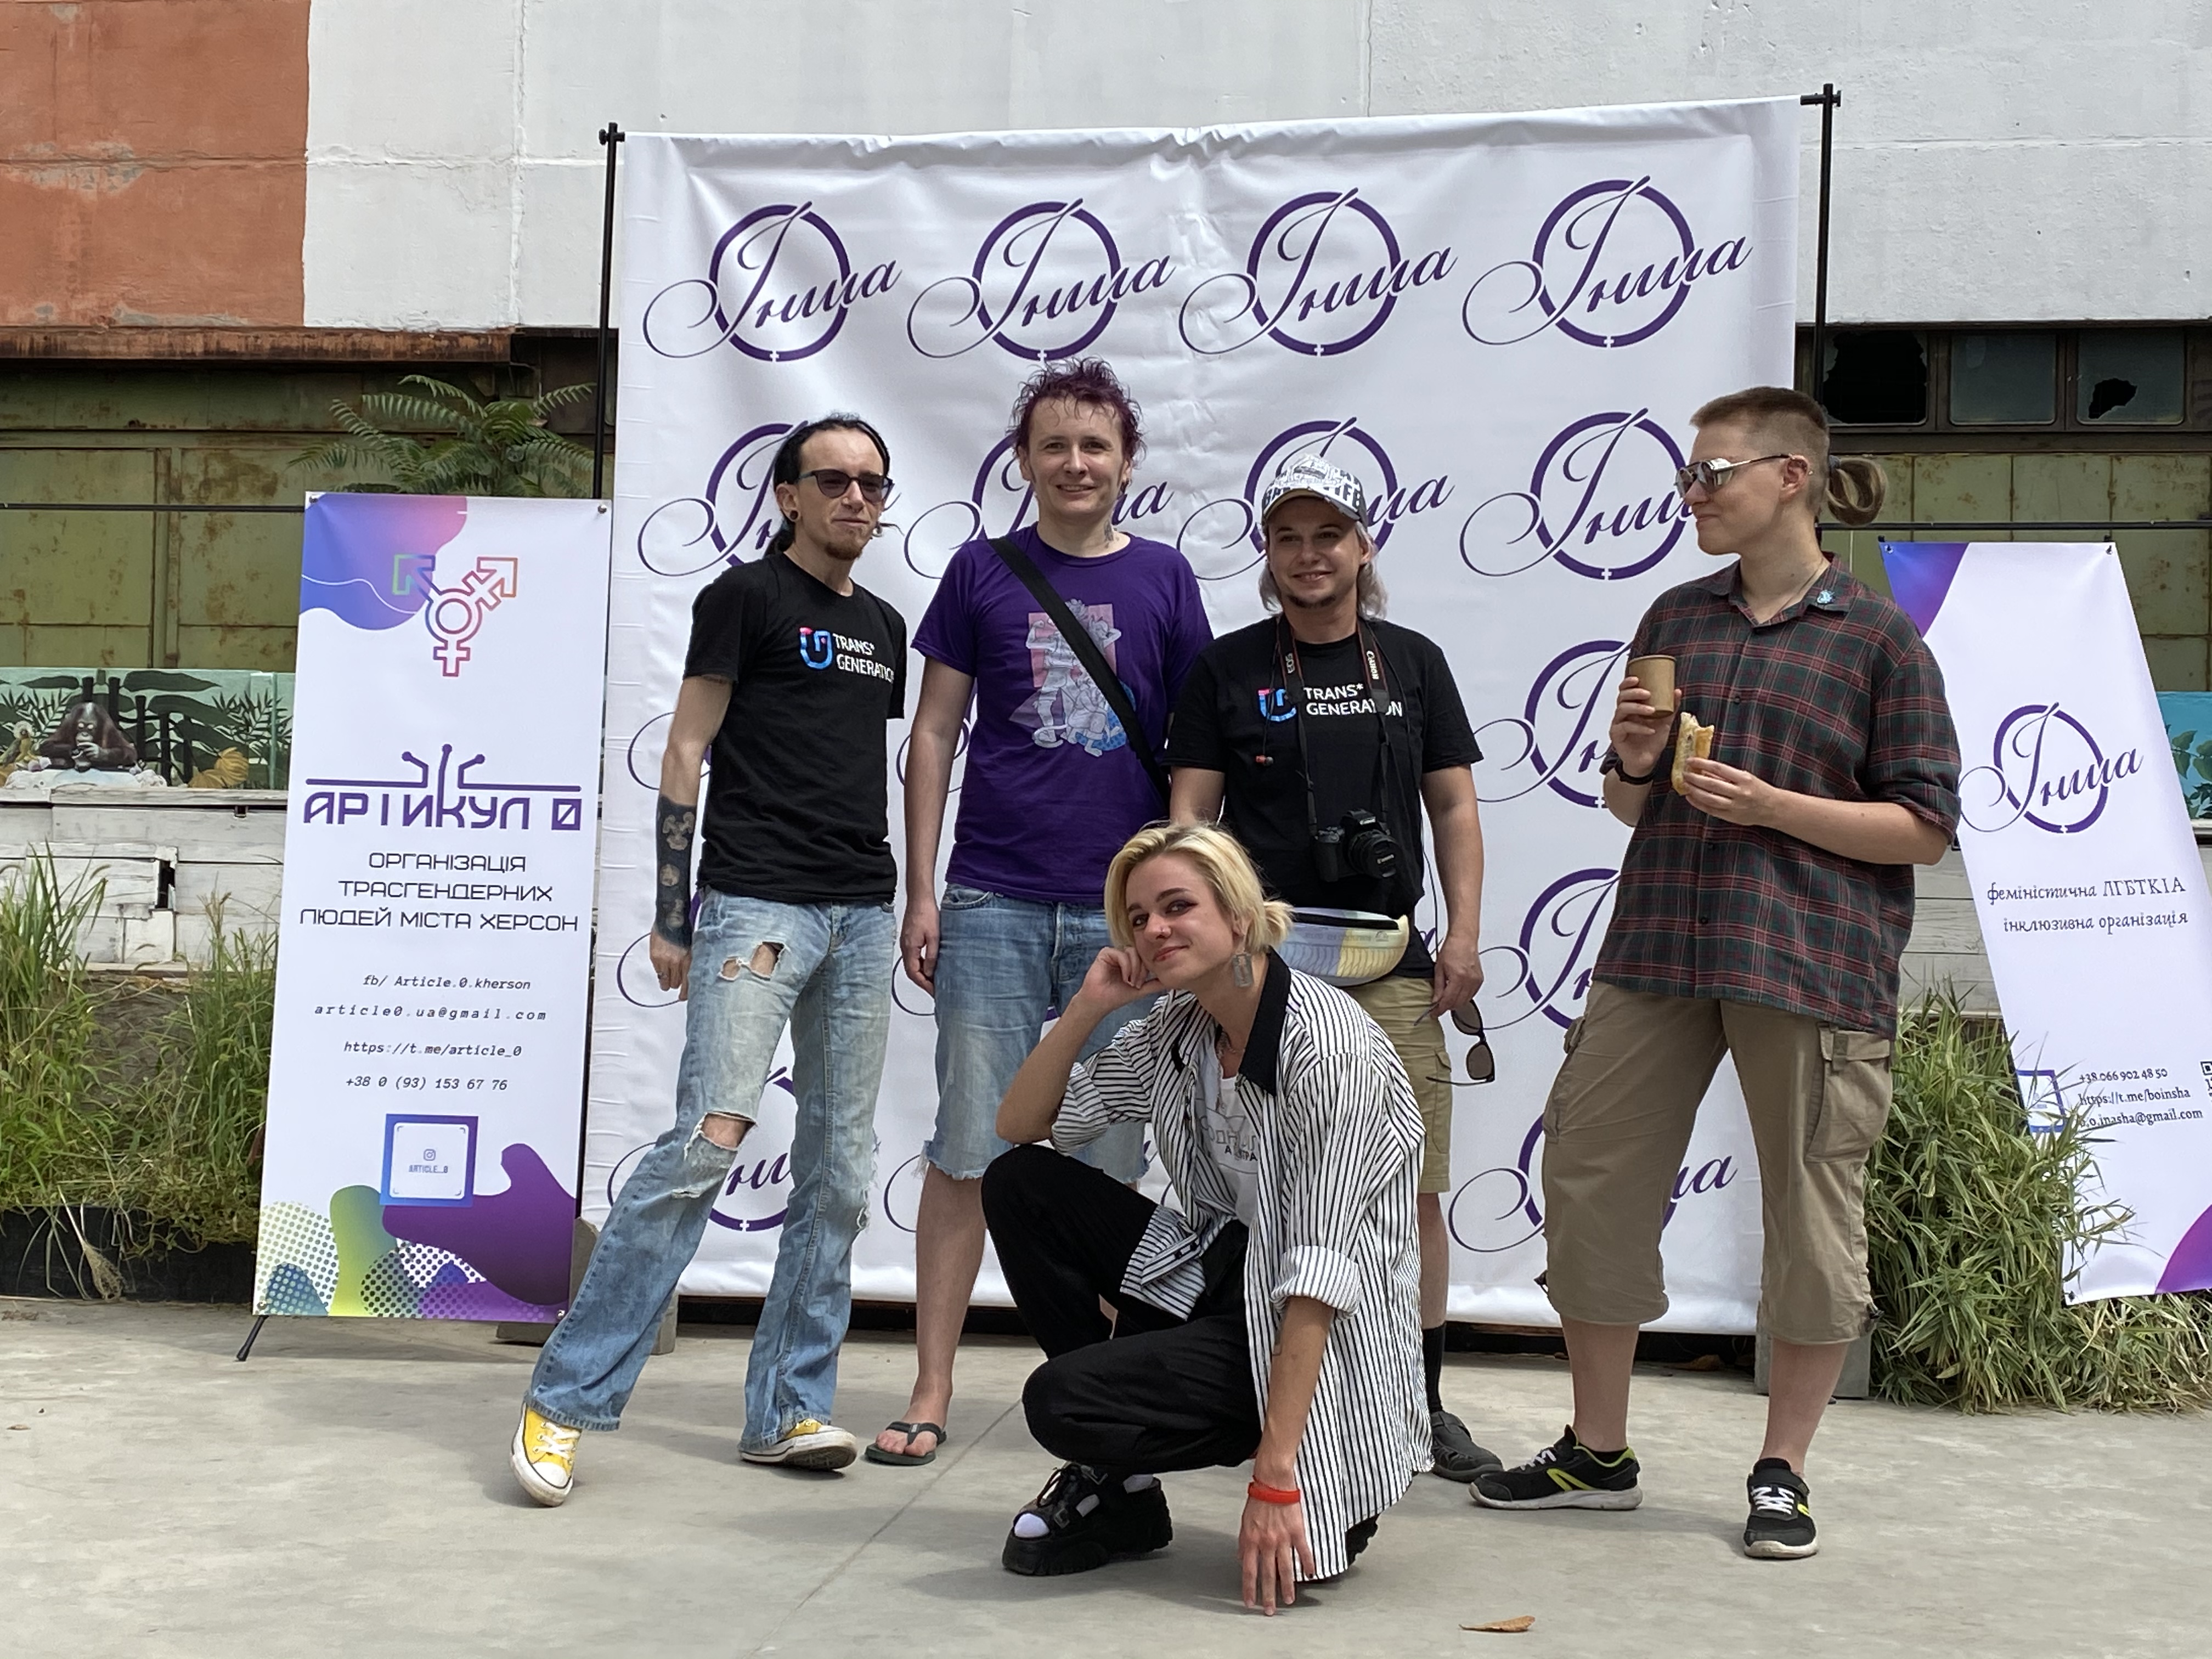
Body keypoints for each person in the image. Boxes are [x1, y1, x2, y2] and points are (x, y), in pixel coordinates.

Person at [1472, 386, 1959, 1560]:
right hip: (1658, 945)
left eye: (1712, 473)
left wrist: (1776, 807)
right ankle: (1598, 1451)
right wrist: (1636, 762)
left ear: (1791, 477)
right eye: (1689, 475)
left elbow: (1924, 829)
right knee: (1591, 1176)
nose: (1691, 493)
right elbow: (1629, 804)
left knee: (1811, 1211)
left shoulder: (1879, 639)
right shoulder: (1675, 615)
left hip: (1812, 960)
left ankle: (1783, 1469)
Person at [510, 414, 909, 1503]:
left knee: (838, 1174)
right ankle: (563, 1401)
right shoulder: (745, 598)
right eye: (833, 479)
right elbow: (687, 750)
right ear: (787, 494)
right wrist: (672, 913)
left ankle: (788, 1409)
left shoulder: (884, 625)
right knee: (705, 1145)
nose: (856, 498)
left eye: (873, 483)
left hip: (860, 913)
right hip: (758, 907)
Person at [873, 360, 1211, 1468]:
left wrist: (1171, 903)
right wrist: (923, 887)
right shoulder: (980, 571)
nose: (1076, 464)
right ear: (1022, 460)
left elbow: (1193, 757)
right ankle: (931, 1383)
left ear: (1128, 462)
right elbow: (934, 734)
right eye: (1055, 445)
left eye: (1095, 446)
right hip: (993, 900)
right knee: (970, 1147)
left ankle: (1100, 1384)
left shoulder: (1166, 578)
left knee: (1107, 1159)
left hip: (1123, 921)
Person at [983, 822, 1426, 1612]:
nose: (1155, 930)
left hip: (1321, 1332)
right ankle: (1119, 1482)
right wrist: (1087, 1006)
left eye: (1178, 906)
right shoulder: (1180, 1026)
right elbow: (1022, 1125)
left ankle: (1297, 1458)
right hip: (1221, 1275)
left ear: (1240, 915)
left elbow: (1319, 1274)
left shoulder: (1328, 1051)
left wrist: (1277, 1480)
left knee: (1061, 1400)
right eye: (1139, 917)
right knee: (1021, 1184)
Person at [1166, 451, 1498, 1481]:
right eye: (1288, 538)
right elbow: (1189, 818)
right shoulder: (1227, 668)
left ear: (1365, 544)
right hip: (1262, 966)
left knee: (1412, 1189)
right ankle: (1249, 1390)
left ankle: (1422, 1404)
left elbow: (1454, 808)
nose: (1309, 555)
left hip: (1391, 961)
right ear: (1267, 553)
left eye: (1328, 535)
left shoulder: (1414, 662)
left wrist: (1465, 935)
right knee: (1251, 1180)